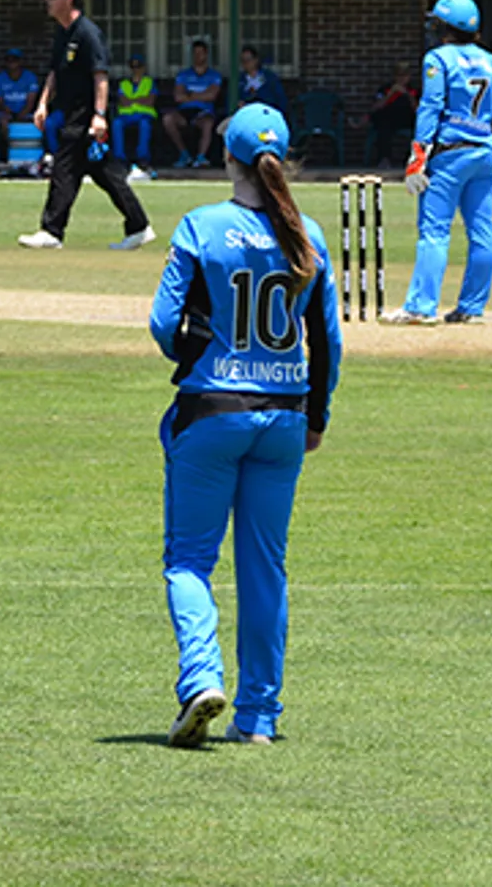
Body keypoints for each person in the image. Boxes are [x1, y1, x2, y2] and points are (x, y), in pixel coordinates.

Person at [150, 102, 341, 747]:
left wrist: (195, 358)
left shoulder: (201, 225)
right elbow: (328, 342)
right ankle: (259, 718)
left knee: (188, 562)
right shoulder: (307, 232)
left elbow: (161, 324)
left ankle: (202, 678)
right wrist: (318, 415)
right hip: (285, 417)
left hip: (211, 410)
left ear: (223, 158)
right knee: (264, 568)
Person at [385, 0, 492, 326]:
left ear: (445, 27)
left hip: (449, 153)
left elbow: (430, 106)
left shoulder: (437, 58)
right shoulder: (490, 61)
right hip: (484, 151)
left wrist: (417, 157)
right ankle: (471, 306)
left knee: (434, 231)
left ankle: (420, 307)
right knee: (481, 229)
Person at [18, 0, 155, 251]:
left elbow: (100, 77)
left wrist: (99, 114)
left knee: (64, 169)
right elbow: (55, 72)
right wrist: (43, 103)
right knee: (105, 174)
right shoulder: (61, 33)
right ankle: (139, 226)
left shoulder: (87, 33)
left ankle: (51, 231)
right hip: (70, 112)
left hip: (87, 115)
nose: (47, 1)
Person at [162, 40, 224, 169]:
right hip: (184, 112)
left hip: (203, 112)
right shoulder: (183, 75)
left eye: (201, 53)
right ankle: (184, 154)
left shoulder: (214, 75)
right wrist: (201, 95)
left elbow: (212, 96)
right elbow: (178, 97)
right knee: (168, 119)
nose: (198, 56)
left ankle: (201, 157)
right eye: (195, 53)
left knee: (208, 123)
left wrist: (190, 95)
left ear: (206, 55)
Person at [367, 60, 417, 166]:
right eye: (399, 75)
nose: (402, 79)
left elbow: (418, 110)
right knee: (383, 124)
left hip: (408, 119)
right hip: (390, 119)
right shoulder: (385, 89)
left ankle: (411, 160)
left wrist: (408, 95)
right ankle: (384, 159)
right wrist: (391, 94)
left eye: (405, 75)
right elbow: (375, 107)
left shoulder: (414, 89)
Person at [0, 48, 41, 154]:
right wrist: (8, 111)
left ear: (20, 62)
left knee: (38, 121)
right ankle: (9, 150)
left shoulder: (30, 78)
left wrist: (21, 115)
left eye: (15, 60)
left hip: (26, 112)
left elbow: (31, 101)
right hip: (6, 112)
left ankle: (32, 153)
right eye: (8, 60)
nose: (12, 63)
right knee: (3, 122)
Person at [114, 54, 156, 171]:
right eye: (133, 67)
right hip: (126, 115)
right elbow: (123, 101)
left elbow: (150, 101)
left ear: (143, 68)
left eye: (138, 66)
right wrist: (140, 99)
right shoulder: (124, 83)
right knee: (116, 124)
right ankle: (120, 158)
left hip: (144, 114)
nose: (136, 70)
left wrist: (132, 100)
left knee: (144, 125)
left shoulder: (149, 82)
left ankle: (142, 158)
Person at [236, 46, 288, 115]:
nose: (245, 63)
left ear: (256, 60)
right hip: (247, 116)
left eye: (248, 60)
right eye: (243, 60)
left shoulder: (269, 77)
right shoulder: (239, 80)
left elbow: (281, 99)